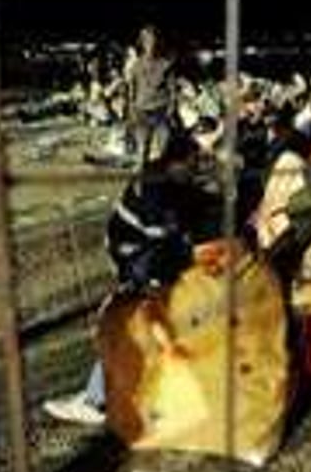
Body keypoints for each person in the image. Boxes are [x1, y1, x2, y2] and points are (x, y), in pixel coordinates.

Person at [45, 130, 221, 425]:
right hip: (136, 258)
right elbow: (163, 238)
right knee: (129, 324)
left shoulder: (175, 181)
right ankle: (96, 400)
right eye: (192, 164)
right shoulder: (155, 186)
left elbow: (194, 209)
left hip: (153, 258)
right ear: (175, 162)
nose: (196, 170)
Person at [125, 25, 176, 163]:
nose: (150, 44)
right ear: (142, 43)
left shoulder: (166, 64)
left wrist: (171, 109)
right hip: (142, 112)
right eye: (147, 40)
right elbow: (132, 91)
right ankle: (141, 182)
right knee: (142, 151)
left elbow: (172, 89)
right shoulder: (136, 66)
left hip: (161, 111)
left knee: (164, 150)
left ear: (158, 42)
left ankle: (161, 180)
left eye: (153, 40)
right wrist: (131, 111)